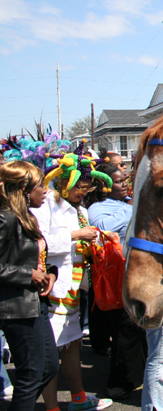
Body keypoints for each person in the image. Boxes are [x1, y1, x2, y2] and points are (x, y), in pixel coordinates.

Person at [31, 145, 114, 411]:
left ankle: (78, 398)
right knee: (50, 353)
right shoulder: (46, 204)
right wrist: (77, 236)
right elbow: (38, 244)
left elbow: (83, 246)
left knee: (72, 345)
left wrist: (99, 241)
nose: (84, 191)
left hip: (76, 289)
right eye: (81, 186)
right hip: (53, 289)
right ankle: (52, 407)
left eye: (88, 187)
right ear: (66, 182)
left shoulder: (81, 210)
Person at [0, 161, 60, 411]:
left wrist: (50, 275)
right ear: (24, 191)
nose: (45, 191)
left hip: (36, 304)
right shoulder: (5, 219)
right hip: (17, 308)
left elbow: (37, 259)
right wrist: (28, 275)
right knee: (31, 374)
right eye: (40, 186)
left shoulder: (27, 218)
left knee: (48, 367)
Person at [86, 163, 147, 401]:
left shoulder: (126, 203)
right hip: (115, 277)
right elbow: (102, 228)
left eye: (125, 180)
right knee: (124, 330)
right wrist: (132, 209)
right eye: (120, 181)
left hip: (137, 272)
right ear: (106, 186)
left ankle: (136, 376)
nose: (125, 184)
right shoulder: (97, 207)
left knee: (137, 328)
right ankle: (118, 382)